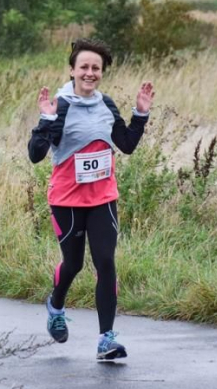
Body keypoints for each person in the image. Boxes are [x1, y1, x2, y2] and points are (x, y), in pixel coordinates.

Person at [28, 38, 154, 361]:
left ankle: (106, 339)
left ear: (102, 72)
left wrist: (140, 115)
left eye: (95, 68)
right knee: (74, 264)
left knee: (106, 262)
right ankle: (56, 305)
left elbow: (125, 145)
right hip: (67, 200)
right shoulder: (60, 106)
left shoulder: (106, 105)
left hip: (103, 198)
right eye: (83, 66)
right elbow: (35, 155)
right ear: (72, 70)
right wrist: (44, 122)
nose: (89, 72)